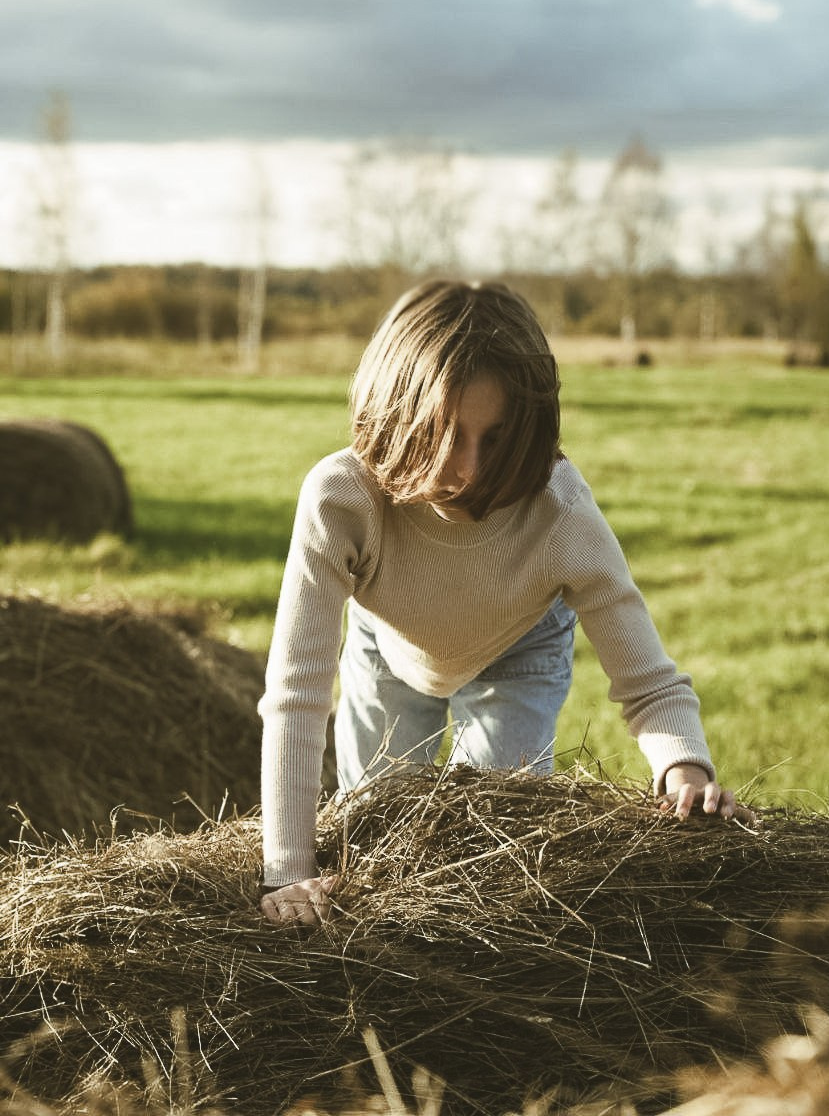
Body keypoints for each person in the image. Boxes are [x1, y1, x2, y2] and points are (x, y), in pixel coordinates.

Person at [259, 280, 736, 928]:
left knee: (482, 861)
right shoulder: (341, 501)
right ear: (392, 414)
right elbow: (297, 692)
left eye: (497, 438)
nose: (471, 468)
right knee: (371, 834)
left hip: (519, 649)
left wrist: (683, 768)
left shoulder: (558, 513)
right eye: (445, 434)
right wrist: (287, 872)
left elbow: (646, 679)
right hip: (386, 649)